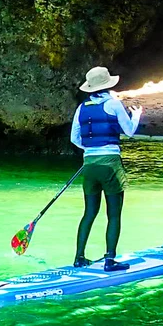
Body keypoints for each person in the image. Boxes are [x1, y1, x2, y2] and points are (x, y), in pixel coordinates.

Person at [69, 66, 143, 271]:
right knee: (114, 214)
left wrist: (91, 150)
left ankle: (79, 258)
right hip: (110, 164)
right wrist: (137, 115)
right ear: (107, 84)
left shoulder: (81, 107)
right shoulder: (114, 104)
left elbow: (74, 138)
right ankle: (110, 260)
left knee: (89, 213)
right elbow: (128, 131)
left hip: (89, 165)